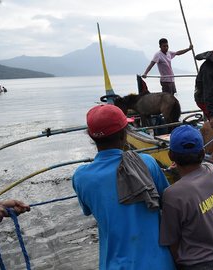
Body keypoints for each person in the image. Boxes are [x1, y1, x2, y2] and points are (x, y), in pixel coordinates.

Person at [72, 104, 175, 270]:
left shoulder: (81, 177)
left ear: (91, 137)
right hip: (159, 263)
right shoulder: (147, 162)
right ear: (123, 135)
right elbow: (168, 201)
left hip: (113, 264)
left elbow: (88, 210)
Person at [159, 125, 213, 270]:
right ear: (203, 152)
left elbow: (172, 242)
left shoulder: (172, 194)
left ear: (170, 156)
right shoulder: (212, 171)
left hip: (199, 265)